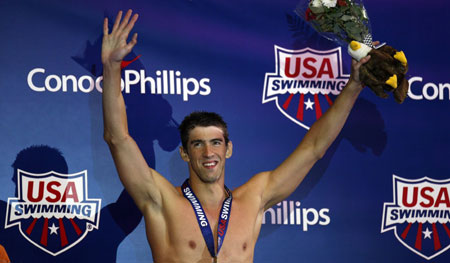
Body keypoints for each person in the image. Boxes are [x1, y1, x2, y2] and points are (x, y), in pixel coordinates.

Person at [102, 9, 371, 262]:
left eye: (216, 143)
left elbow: (313, 149)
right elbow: (118, 139)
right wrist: (113, 68)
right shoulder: (161, 200)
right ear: (184, 153)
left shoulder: (254, 198)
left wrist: (354, 87)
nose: (209, 153)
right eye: (198, 144)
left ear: (228, 149)